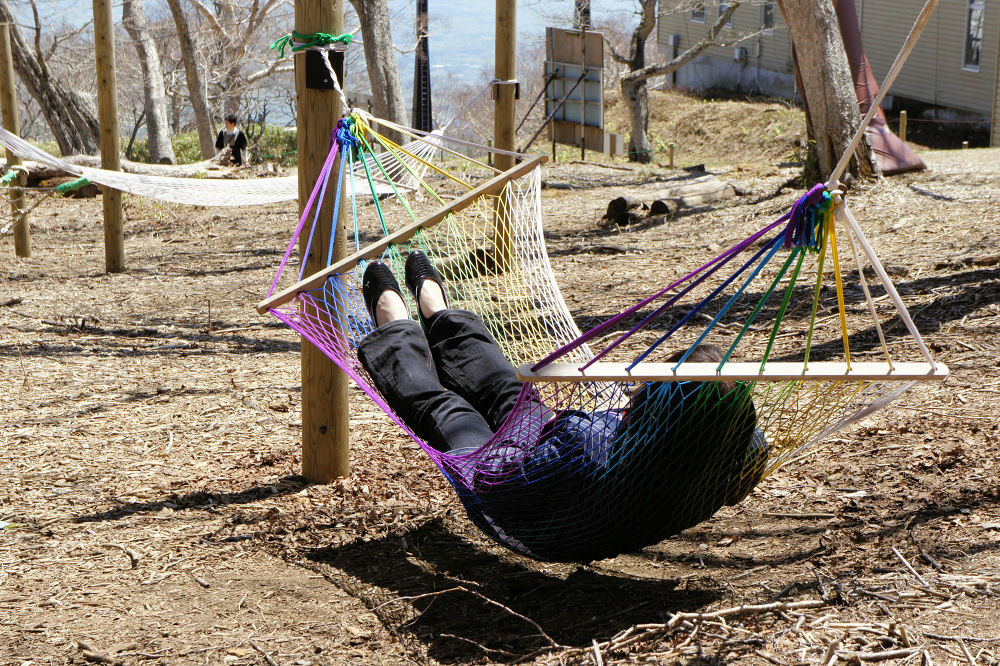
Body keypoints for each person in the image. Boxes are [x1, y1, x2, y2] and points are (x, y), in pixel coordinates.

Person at [358, 251, 767, 560]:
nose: (642, 384)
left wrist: (550, 427)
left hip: (508, 496)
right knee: (511, 394)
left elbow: (509, 477)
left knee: (450, 410)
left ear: (659, 404)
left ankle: (400, 321)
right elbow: (734, 428)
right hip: (582, 485)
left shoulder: (588, 440)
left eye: (653, 383)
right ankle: (437, 313)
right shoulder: (737, 446)